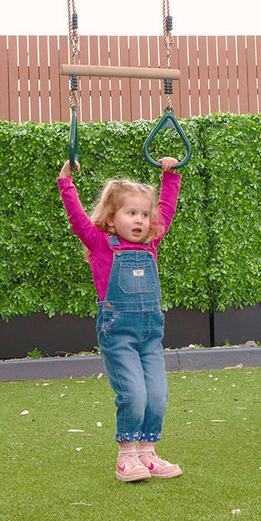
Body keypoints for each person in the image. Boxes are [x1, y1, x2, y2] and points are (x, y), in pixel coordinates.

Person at [58, 157, 183, 482]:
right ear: (112, 219)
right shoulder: (102, 244)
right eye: (131, 213)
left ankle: (147, 453)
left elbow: (166, 211)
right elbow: (78, 220)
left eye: (144, 214)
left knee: (157, 394)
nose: (140, 220)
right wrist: (66, 184)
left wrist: (170, 176)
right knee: (133, 394)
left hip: (151, 336)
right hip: (118, 335)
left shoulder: (151, 245)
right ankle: (126, 457)